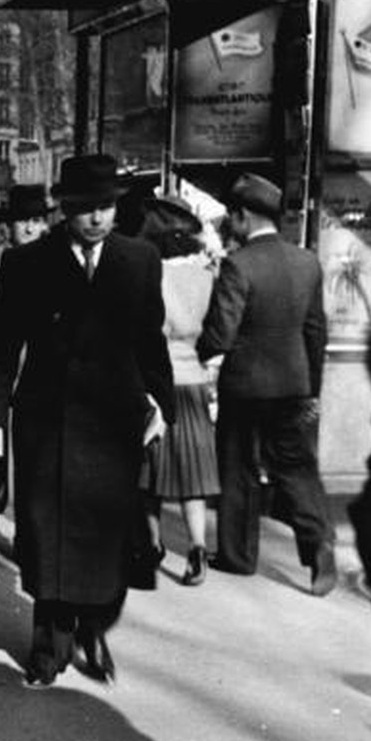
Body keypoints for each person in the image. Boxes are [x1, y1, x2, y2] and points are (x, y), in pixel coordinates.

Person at [0, 155, 174, 688]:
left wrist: (161, 405)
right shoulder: (27, 264)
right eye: (86, 209)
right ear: (65, 209)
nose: (96, 219)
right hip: (47, 421)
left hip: (115, 422)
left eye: (106, 207)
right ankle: (49, 647)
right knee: (48, 534)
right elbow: (0, 350)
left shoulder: (139, 260)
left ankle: (93, 629)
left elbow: (150, 343)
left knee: (103, 535)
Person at [196, 173, 338, 596]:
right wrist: (312, 388)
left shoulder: (239, 265)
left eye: (232, 217)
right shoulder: (306, 261)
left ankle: (238, 556)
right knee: (296, 469)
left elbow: (220, 334)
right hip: (294, 385)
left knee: (237, 469)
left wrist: (194, 354)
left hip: (245, 387)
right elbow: (316, 331)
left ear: (242, 217)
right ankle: (318, 544)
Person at [138, 198, 219, 586]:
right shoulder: (206, 277)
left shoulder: (152, 277)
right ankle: (198, 547)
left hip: (157, 385)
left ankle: (152, 544)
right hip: (195, 382)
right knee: (194, 474)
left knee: (150, 472)